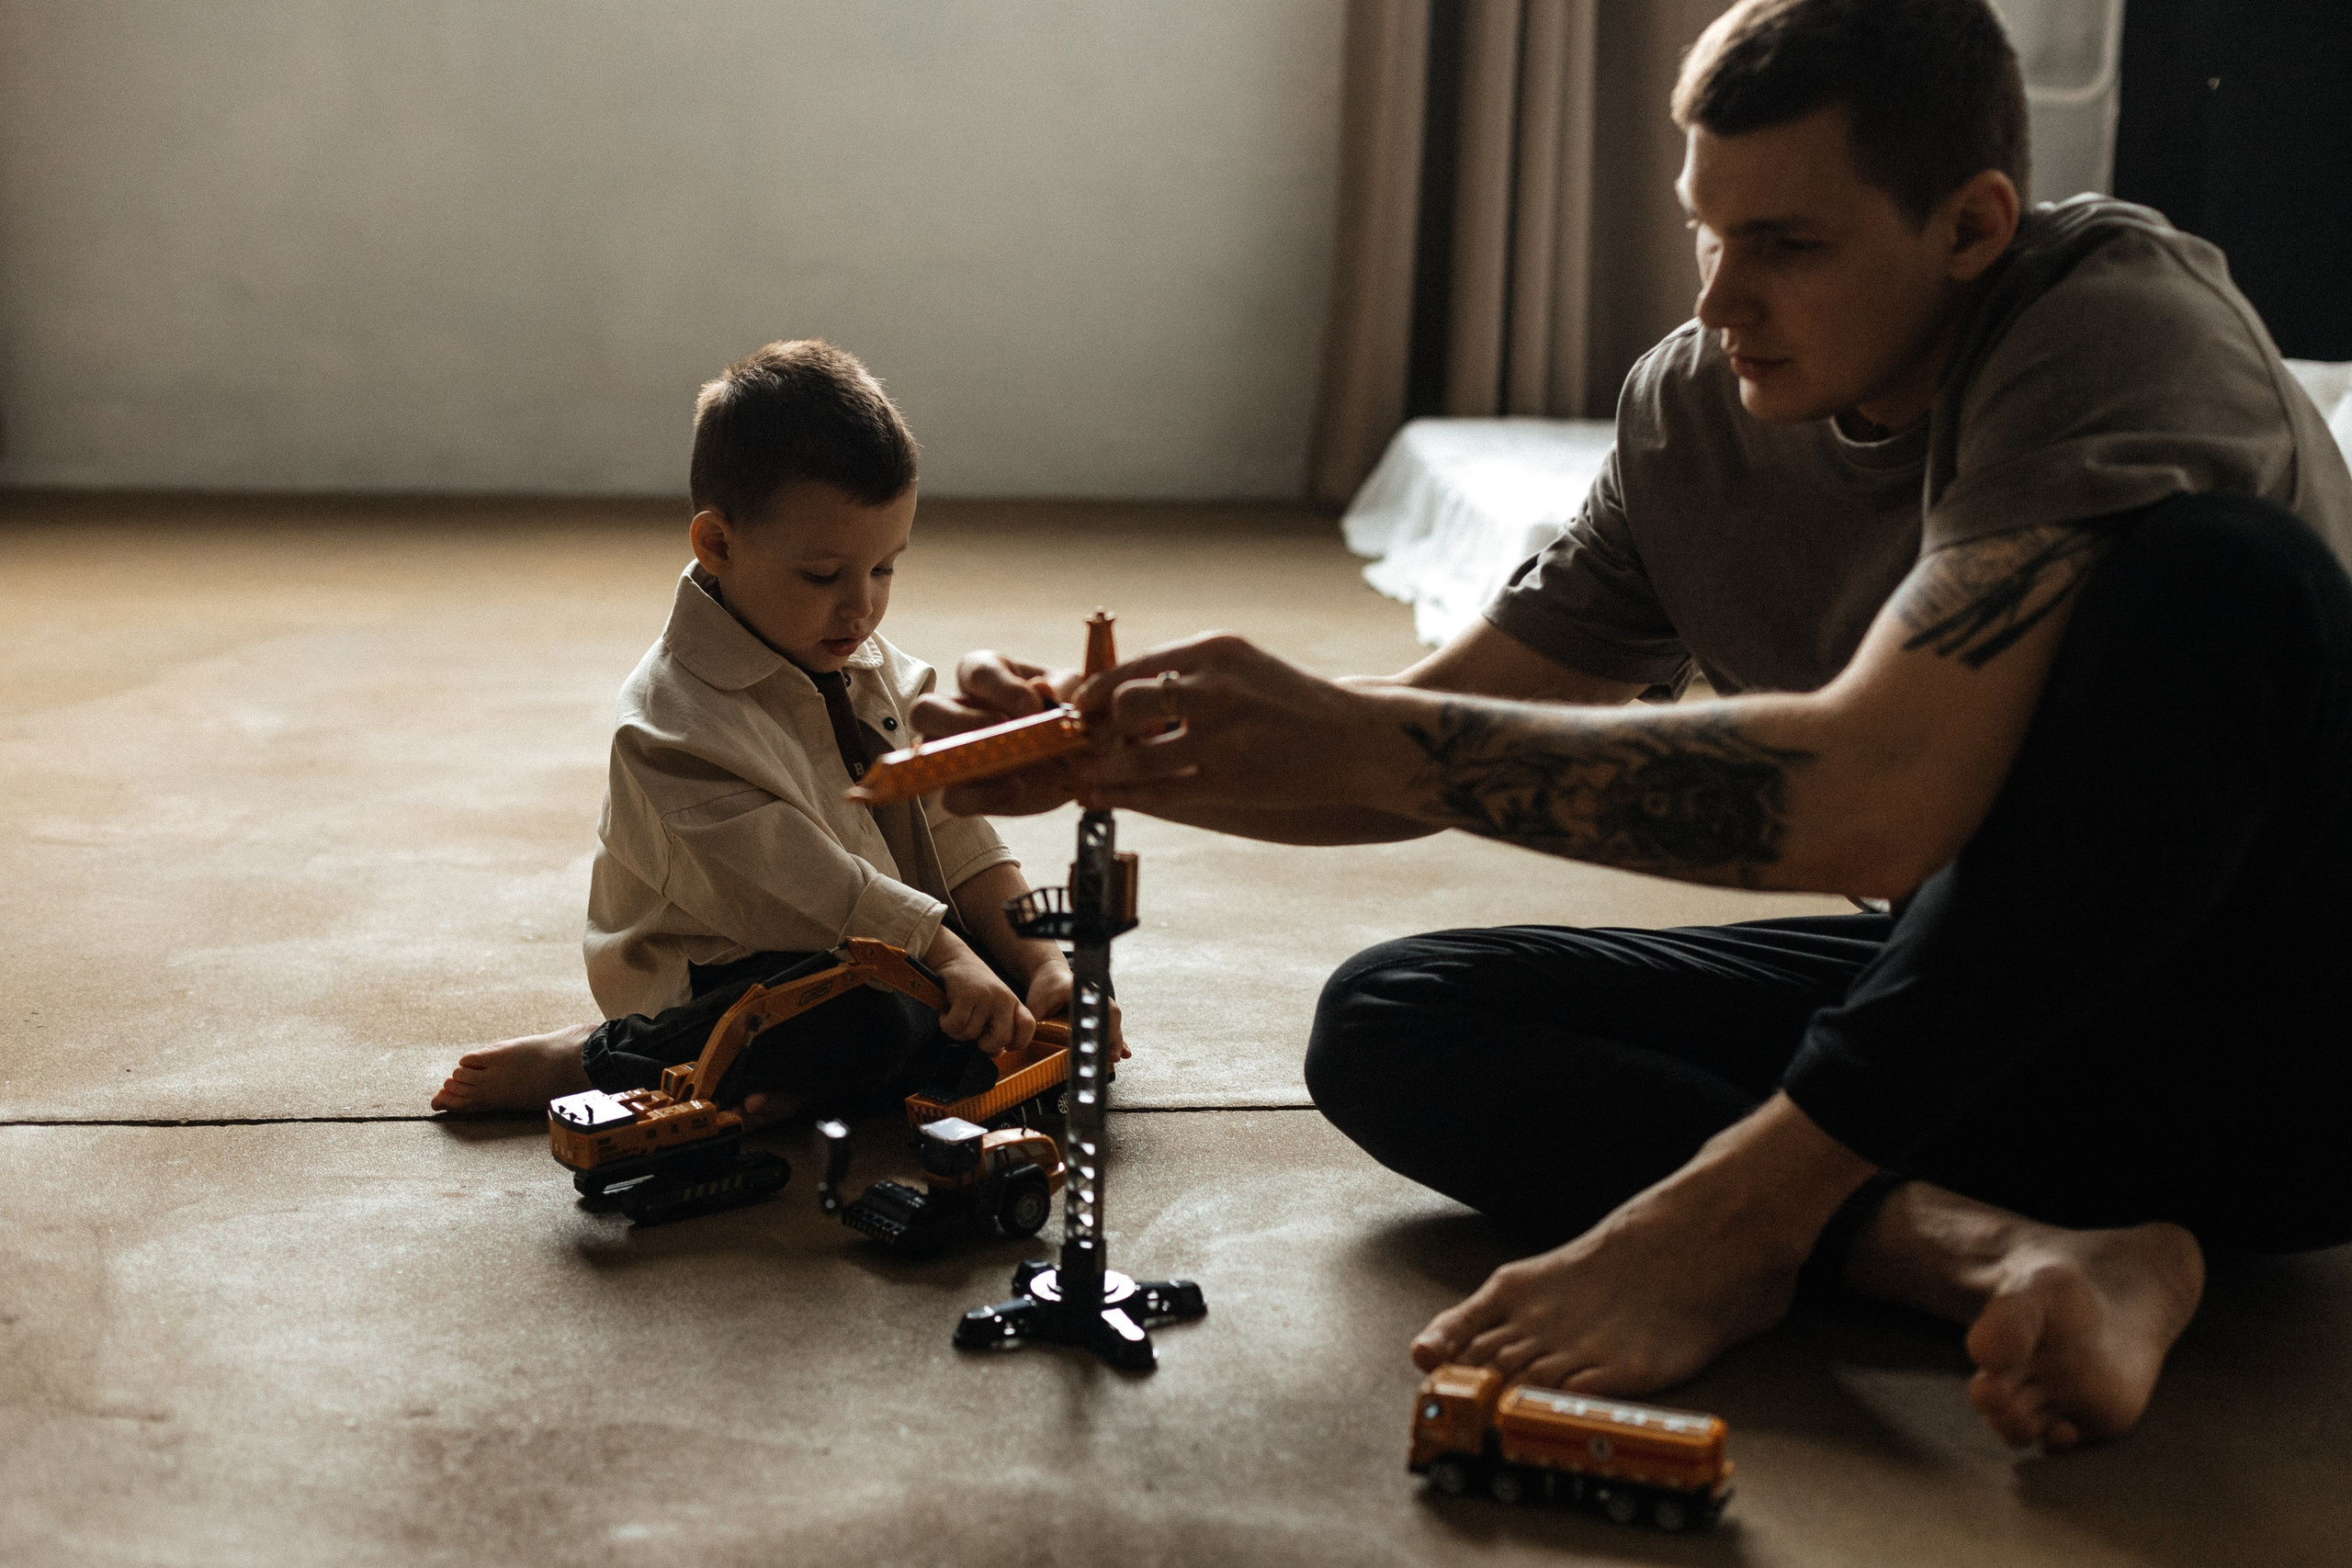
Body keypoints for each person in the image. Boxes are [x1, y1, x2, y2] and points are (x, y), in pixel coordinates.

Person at [916, 0, 2352, 1453]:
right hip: (1978, 1058)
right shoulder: (1695, 414)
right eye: (1705, 233)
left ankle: (1749, 1213)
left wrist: (1355, 735)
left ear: (1973, 226)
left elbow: (1873, 801)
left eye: (1789, 245)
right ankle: (2001, 1252)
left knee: (2226, 583)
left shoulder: (2118, 329)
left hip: (2287, 1058)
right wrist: (1124, 755)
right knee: (1396, 1019)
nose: (1724, 299)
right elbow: (1446, 734)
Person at [432, 339, 1116, 1123]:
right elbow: (811, 886)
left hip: (891, 938)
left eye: (885, 568)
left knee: (1069, 981)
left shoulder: (861, 656)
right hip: (741, 969)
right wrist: (950, 955)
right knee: (872, 1023)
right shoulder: (668, 727)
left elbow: (952, 823)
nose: (861, 609)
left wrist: (1043, 962)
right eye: (824, 576)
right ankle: (592, 1055)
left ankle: (806, 1092)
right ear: (718, 545)